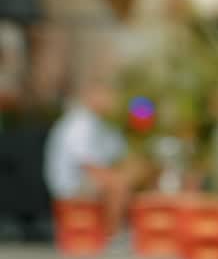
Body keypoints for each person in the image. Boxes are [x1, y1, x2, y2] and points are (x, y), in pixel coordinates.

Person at [43, 69, 146, 237]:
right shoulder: (78, 124)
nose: (111, 100)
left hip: (89, 178)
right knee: (118, 185)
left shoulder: (102, 124)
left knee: (132, 175)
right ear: (91, 95)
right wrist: (117, 179)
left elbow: (120, 154)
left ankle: (135, 229)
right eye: (106, 95)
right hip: (71, 185)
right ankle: (112, 234)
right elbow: (88, 165)